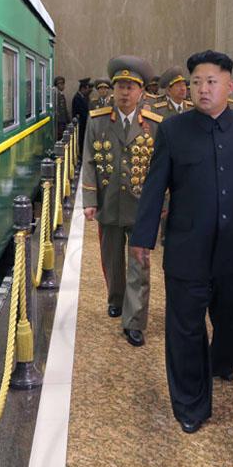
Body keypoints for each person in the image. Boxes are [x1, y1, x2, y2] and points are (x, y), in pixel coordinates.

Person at [130, 50, 233, 434]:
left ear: (229, 86)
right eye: (196, 82)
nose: (202, 89)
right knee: (185, 328)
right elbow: (154, 188)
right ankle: (190, 404)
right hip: (188, 249)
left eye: (211, 82)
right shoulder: (173, 131)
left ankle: (223, 362)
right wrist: (142, 238)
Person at [81, 56, 162, 348]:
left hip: (141, 207)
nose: (124, 92)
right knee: (112, 260)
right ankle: (115, 299)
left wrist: (162, 203)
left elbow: (160, 168)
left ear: (141, 92)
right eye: (120, 86)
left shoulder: (154, 125)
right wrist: (89, 199)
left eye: (130, 87)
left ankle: (135, 321)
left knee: (140, 263)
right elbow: (89, 161)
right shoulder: (98, 120)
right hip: (109, 204)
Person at [72, 78, 93, 154]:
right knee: (81, 139)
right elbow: (81, 111)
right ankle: (81, 154)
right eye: (87, 89)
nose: (88, 91)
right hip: (81, 123)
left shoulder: (83, 97)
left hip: (84, 122)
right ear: (82, 89)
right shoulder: (77, 98)